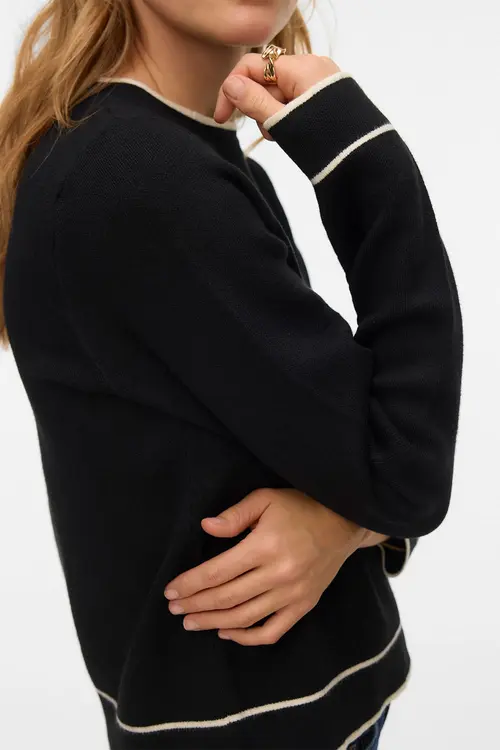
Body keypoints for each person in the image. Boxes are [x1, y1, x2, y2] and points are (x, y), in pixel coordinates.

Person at [0, 1, 463, 749]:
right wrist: (365, 154)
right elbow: (406, 470)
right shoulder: (141, 175)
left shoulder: (148, 147)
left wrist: (341, 522)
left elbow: (335, 441)